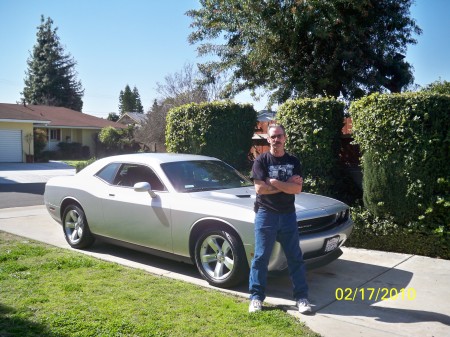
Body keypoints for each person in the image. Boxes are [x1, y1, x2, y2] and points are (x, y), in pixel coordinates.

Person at [248, 124, 311, 314]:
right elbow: (260, 189)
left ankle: (302, 298)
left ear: (285, 138)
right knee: (260, 258)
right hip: (266, 214)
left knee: (295, 258)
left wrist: (273, 183)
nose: (276, 139)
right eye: (273, 137)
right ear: (268, 139)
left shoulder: (293, 161)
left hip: (288, 215)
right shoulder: (261, 161)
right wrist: (285, 185)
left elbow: (297, 190)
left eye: (279, 136)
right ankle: (256, 298)